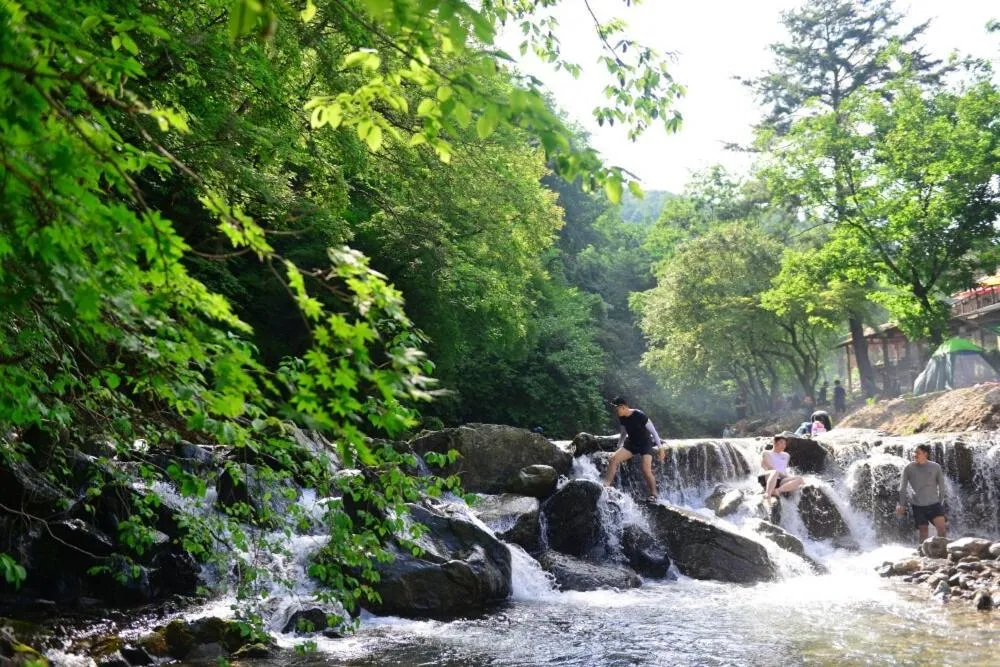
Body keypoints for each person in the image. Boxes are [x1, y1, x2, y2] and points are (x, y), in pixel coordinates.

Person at [603, 397, 662, 501]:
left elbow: (654, 432)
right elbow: (623, 433)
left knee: (645, 470)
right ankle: (605, 487)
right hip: (632, 443)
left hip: (645, 444)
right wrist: (619, 445)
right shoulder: (622, 417)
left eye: (617, 410)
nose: (616, 412)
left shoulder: (640, 415)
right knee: (613, 459)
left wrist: (661, 449)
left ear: (623, 407)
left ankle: (654, 494)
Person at [896, 444, 947, 542]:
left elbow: (942, 487)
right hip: (918, 506)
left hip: (935, 504)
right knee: (923, 533)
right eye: (914, 452)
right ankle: (922, 554)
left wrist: (941, 504)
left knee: (942, 530)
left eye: (917, 453)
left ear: (925, 454)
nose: (914, 455)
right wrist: (901, 505)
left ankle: (943, 553)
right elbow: (902, 488)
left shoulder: (936, 467)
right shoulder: (908, 468)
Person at [759, 432, 806, 501]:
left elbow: (784, 469)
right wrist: (784, 476)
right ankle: (767, 494)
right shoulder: (766, 453)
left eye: (785, 444)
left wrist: (790, 479)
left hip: (780, 480)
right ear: (774, 442)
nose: (783, 445)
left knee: (800, 479)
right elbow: (770, 468)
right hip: (767, 477)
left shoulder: (786, 455)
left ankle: (777, 491)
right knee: (775, 472)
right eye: (781, 442)